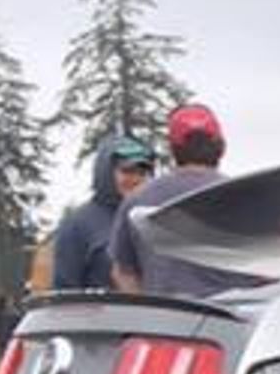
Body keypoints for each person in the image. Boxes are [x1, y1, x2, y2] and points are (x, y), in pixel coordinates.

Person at [112, 102, 264, 300]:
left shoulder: (136, 201)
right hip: (234, 324)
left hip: (168, 322)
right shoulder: (248, 199)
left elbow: (123, 273)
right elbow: (269, 272)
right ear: (221, 146)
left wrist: (148, 312)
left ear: (174, 149)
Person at [46, 135, 152, 292]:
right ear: (106, 173)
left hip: (156, 314)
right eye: (127, 171)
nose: (136, 179)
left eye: (142, 173)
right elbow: (64, 295)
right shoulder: (77, 225)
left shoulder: (153, 218)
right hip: (102, 315)